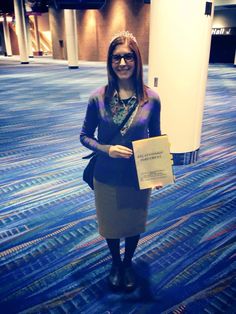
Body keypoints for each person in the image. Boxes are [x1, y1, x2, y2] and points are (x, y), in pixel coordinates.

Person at [80, 30, 162, 292]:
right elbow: (84, 137)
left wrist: (158, 171)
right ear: (110, 62)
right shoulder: (98, 98)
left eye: (128, 57)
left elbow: (156, 136)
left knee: (134, 222)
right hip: (106, 175)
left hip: (138, 176)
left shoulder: (151, 99)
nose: (123, 63)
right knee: (111, 224)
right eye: (117, 58)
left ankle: (128, 263)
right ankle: (116, 262)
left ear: (137, 61)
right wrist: (106, 149)